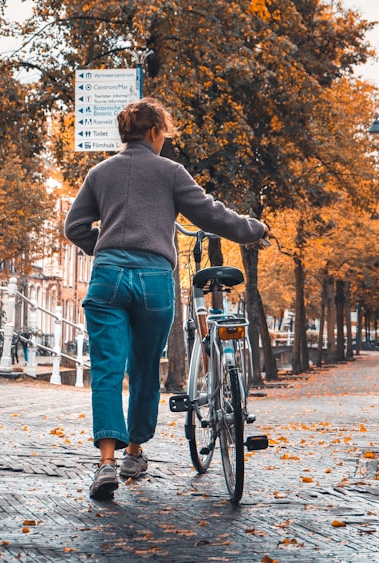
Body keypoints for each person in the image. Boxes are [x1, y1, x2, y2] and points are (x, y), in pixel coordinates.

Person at [64, 97, 269, 500]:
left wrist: (103, 247)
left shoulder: (99, 172)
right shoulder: (171, 172)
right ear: (156, 132)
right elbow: (213, 215)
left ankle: (106, 462)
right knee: (144, 369)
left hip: (107, 279)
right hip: (154, 281)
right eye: (164, 134)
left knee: (107, 370)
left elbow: (75, 226)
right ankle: (135, 453)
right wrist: (255, 229)